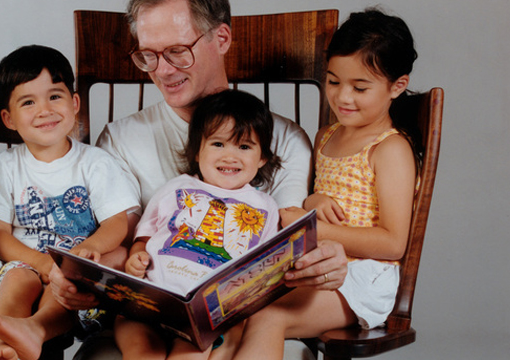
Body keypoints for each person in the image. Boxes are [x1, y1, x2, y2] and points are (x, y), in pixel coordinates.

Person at [51, 0, 348, 318]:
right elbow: (123, 247)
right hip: (141, 320)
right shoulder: (120, 140)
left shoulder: (285, 141)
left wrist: (323, 260)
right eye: (149, 55)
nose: (162, 71)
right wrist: (75, 273)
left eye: (178, 51)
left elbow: (283, 249)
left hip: (241, 325)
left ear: (221, 39)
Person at [232, 9, 419, 359]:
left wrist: (310, 225)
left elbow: (393, 243)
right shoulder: (326, 135)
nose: (342, 98)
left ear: (397, 86)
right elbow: (320, 199)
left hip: (363, 278)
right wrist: (312, 201)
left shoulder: (390, 149)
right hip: (320, 265)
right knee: (241, 303)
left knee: (269, 315)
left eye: (359, 87)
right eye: (333, 82)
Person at [0, 45, 140, 360]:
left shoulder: (95, 163)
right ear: (8, 118)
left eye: (54, 96)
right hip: (26, 263)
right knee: (18, 279)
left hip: (79, 277)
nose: (44, 110)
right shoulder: (3, 167)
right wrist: (41, 264)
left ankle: (34, 329)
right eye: (28, 102)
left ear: (74, 103)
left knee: (61, 282)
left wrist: (85, 252)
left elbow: (116, 222)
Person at [114, 89, 282, 359]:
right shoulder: (177, 187)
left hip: (204, 319)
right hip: (149, 303)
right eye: (218, 144)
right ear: (196, 150)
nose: (230, 156)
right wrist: (136, 258)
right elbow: (144, 236)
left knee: (192, 354)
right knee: (141, 352)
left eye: (244, 146)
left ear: (262, 157)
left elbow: (263, 268)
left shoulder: (264, 206)